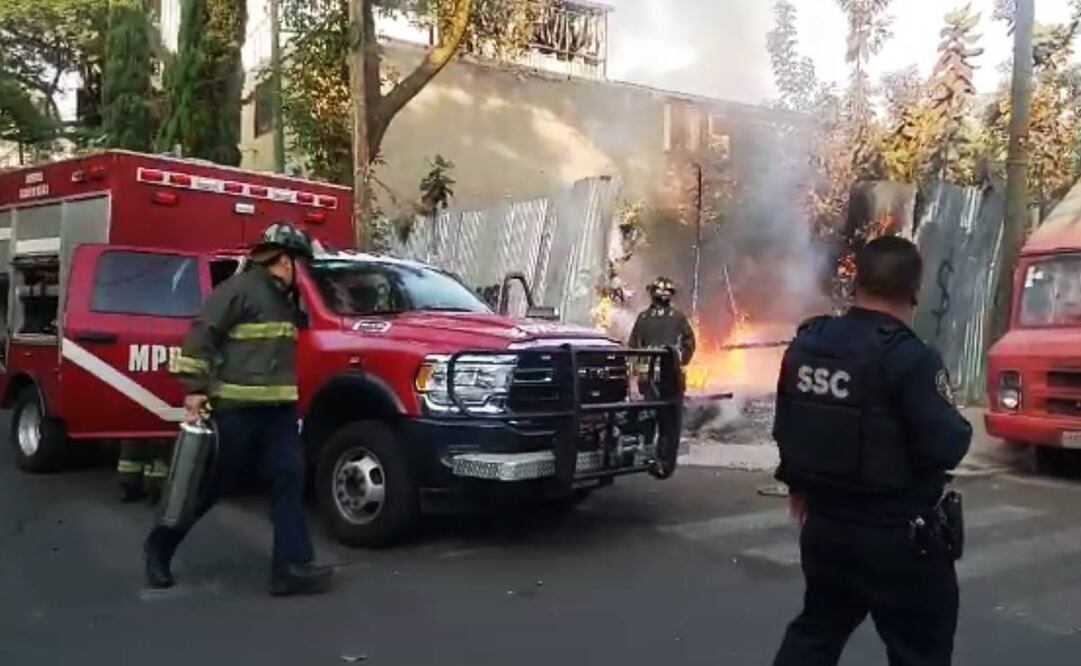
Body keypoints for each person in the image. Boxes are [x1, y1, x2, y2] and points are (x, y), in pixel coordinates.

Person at [771, 236, 972, 666]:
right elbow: (945, 445)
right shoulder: (912, 357)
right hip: (896, 536)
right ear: (915, 289)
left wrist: (798, 484)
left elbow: (788, 422)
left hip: (824, 527)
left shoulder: (808, 343)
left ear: (855, 282)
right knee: (920, 651)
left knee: (816, 632)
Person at [143, 222, 334, 597]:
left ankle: (291, 568)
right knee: (212, 486)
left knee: (289, 478)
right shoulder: (237, 291)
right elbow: (202, 336)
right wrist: (194, 391)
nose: (305, 271)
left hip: (279, 413)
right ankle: (159, 547)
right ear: (284, 260)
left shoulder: (286, 298)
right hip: (237, 410)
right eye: (301, 263)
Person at [628, 276, 696, 364]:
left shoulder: (643, 317)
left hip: (650, 367)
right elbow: (689, 343)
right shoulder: (678, 317)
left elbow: (633, 346)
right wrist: (679, 360)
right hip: (668, 367)